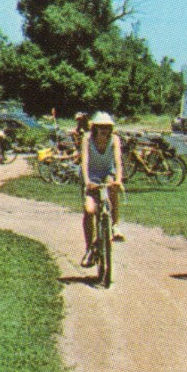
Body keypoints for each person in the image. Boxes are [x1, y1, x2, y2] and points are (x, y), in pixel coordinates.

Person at [79, 112, 126, 266]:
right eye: (101, 127)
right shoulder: (87, 139)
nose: (104, 130)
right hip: (91, 177)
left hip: (107, 173)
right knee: (89, 210)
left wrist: (119, 179)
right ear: (95, 128)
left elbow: (118, 161)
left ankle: (115, 225)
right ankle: (89, 249)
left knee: (112, 188)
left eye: (107, 127)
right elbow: (84, 162)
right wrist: (87, 182)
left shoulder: (115, 140)